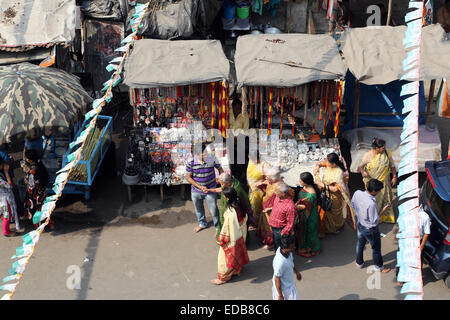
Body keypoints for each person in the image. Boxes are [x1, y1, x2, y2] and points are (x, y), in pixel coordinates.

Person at [211, 187, 250, 285]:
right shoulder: (239, 203)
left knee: (224, 257)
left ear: (227, 198)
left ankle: (224, 277)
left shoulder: (231, 211)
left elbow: (228, 227)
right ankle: (236, 270)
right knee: (238, 252)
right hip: (241, 232)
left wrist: (222, 238)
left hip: (233, 235)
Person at [351, 179, 391, 273]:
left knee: (360, 244)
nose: (379, 192)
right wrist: (383, 210)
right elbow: (374, 221)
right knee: (376, 249)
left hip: (360, 224)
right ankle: (379, 267)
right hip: (370, 229)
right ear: (374, 191)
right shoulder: (371, 204)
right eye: (378, 191)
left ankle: (359, 262)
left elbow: (352, 204)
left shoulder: (357, 193)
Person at [314, 153, 356, 237]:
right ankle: (328, 228)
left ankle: (335, 228)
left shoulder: (339, 173)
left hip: (334, 196)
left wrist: (321, 184)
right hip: (326, 193)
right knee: (327, 213)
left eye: (328, 162)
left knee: (335, 213)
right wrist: (317, 168)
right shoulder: (328, 164)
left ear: (334, 164)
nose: (326, 162)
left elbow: (335, 189)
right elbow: (319, 163)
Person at [186, 144, 224, 233]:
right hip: (196, 191)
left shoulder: (212, 158)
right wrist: (200, 187)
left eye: (206, 152)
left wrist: (221, 179)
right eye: (203, 153)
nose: (206, 155)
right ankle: (202, 223)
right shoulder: (191, 162)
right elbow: (188, 177)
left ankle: (218, 227)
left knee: (214, 209)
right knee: (198, 209)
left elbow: (220, 169)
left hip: (211, 189)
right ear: (197, 154)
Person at [358, 138, 397, 224]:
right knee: (373, 202)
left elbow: (392, 166)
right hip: (373, 184)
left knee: (386, 200)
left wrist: (394, 176)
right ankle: (373, 218)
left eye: (384, 147)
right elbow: (360, 166)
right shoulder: (367, 156)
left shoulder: (386, 153)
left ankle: (386, 217)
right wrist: (363, 172)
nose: (384, 148)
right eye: (382, 147)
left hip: (384, 182)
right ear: (376, 148)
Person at [211, 172, 257, 243]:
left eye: (222, 184)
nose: (222, 186)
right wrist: (210, 190)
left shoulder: (236, 196)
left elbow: (237, 220)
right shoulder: (231, 185)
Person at [256, 167, 294, 249]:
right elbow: (269, 193)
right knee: (267, 225)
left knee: (272, 229)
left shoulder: (281, 187)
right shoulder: (272, 183)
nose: (266, 178)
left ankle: (271, 242)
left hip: (275, 212)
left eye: (268, 177)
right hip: (268, 208)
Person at [23, 149, 51, 229]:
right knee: (42, 207)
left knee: (35, 208)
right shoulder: (39, 164)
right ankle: (46, 223)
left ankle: (38, 225)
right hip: (42, 190)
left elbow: (31, 184)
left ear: (29, 159)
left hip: (35, 194)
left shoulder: (32, 171)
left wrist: (26, 177)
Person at [295, 172, 322, 258]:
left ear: (305, 182)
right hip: (304, 212)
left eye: (300, 180)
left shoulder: (311, 195)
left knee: (310, 231)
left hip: (308, 215)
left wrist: (294, 206)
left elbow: (306, 208)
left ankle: (311, 248)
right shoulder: (306, 187)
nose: (299, 180)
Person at [265, 183, 297, 253]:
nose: (275, 192)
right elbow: (276, 206)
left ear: (283, 194)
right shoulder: (277, 198)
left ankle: (283, 261)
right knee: (277, 245)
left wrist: (284, 232)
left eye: (277, 191)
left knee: (282, 248)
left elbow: (290, 222)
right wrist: (270, 209)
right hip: (274, 228)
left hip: (280, 230)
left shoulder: (290, 206)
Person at [272, 234, 302, 300]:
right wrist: (280, 295)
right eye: (292, 247)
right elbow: (277, 279)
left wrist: (297, 272)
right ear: (285, 248)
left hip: (289, 284)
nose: (294, 248)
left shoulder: (288, 252)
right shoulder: (280, 262)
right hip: (284, 290)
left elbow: (291, 262)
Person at [246, 153, 266, 227]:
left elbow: (269, 178)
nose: (252, 160)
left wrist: (262, 183)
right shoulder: (250, 162)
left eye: (254, 159)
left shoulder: (263, 165)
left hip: (259, 190)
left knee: (258, 207)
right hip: (251, 189)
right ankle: (253, 222)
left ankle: (258, 223)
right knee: (251, 206)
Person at [0, 158, 18, 237]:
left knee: (6, 215)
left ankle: (7, 230)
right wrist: (7, 173)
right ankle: (6, 232)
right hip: (4, 198)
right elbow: (9, 186)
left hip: (2, 197)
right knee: (7, 215)